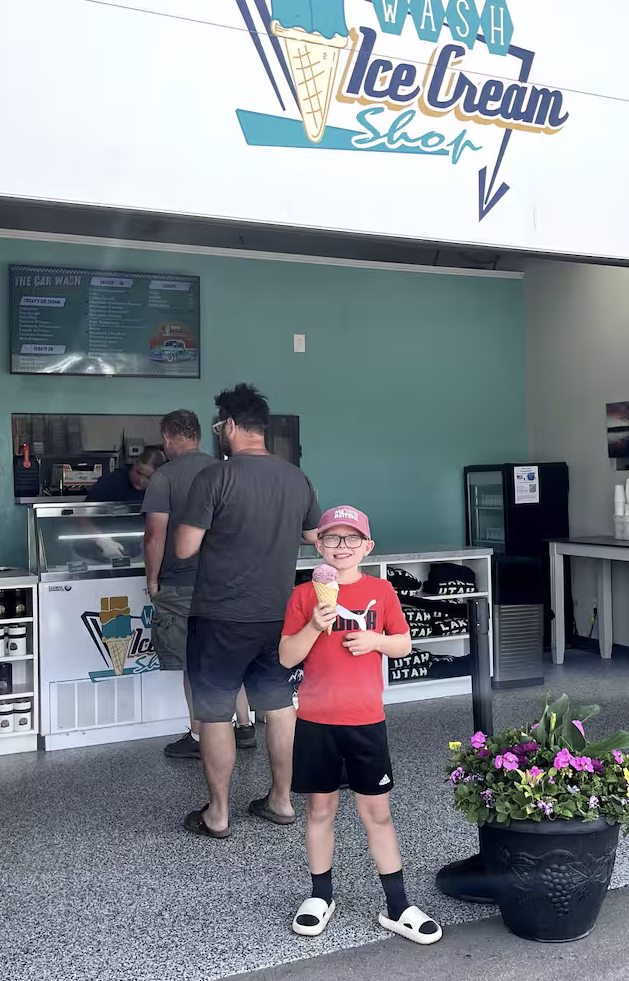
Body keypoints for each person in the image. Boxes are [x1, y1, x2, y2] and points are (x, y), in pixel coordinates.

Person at [279, 505, 443, 945]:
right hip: (316, 720)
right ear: (318, 544)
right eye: (332, 538)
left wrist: (376, 641)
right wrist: (314, 624)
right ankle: (321, 896)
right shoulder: (302, 595)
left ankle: (397, 904)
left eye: (352, 539)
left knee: (378, 814)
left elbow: (404, 644)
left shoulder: (382, 590)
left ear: (367, 547)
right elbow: (287, 656)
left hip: (366, 719)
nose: (342, 546)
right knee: (320, 810)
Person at [175, 383, 321, 839]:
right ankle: (281, 801)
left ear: (232, 426)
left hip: (220, 616)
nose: (219, 432)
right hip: (278, 616)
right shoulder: (296, 477)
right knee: (279, 707)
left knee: (216, 713)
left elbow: (183, 548)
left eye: (220, 425)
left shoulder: (215, 478)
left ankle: (218, 814)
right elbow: (314, 534)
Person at [142, 410, 254, 759]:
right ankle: (246, 726)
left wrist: (152, 580)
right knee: (226, 658)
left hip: (182, 584)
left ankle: (197, 735)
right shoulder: (225, 471)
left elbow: (154, 537)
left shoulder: (164, 477)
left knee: (194, 664)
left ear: (167, 437)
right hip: (227, 583)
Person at [85, 447, 166, 506]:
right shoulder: (110, 483)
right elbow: (82, 516)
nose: (141, 480)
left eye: (148, 478)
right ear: (134, 464)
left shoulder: (162, 490)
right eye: (139, 473)